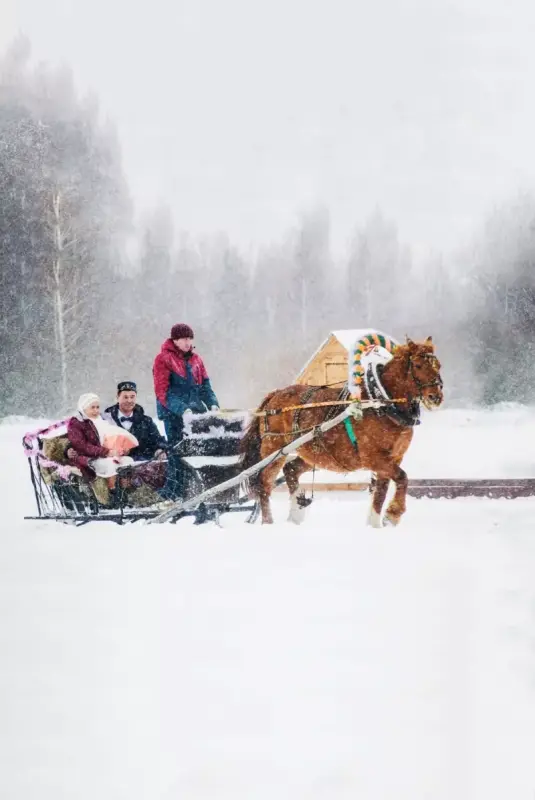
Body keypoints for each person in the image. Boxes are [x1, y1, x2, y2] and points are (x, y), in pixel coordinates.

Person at [153, 323, 219, 447]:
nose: (188, 342)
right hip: (173, 416)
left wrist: (213, 404)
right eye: (184, 339)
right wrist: (182, 409)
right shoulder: (163, 359)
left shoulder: (197, 359)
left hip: (196, 413)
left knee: (204, 449)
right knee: (178, 452)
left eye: (190, 338)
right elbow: (163, 392)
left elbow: (205, 387)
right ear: (175, 340)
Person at [67, 393, 135, 498]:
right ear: (83, 408)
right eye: (92, 407)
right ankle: (113, 494)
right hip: (86, 457)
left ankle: (126, 491)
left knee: (127, 461)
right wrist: (106, 452)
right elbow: (82, 446)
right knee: (110, 465)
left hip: (105, 454)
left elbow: (111, 436)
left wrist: (121, 449)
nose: (96, 411)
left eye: (97, 407)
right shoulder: (76, 423)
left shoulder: (101, 420)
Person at [104, 380, 168, 461]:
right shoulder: (106, 420)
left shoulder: (146, 421)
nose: (129, 400)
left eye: (132, 397)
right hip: (114, 466)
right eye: (125, 397)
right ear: (117, 397)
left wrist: (160, 449)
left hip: (143, 466)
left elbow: (157, 440)